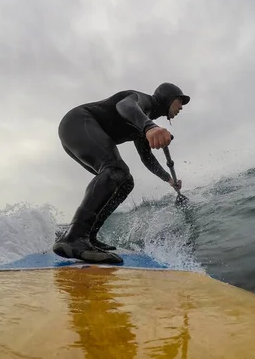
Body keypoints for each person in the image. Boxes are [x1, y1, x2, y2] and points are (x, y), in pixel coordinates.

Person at [53, 82, 190, 264]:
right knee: (116, 170)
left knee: (125, 181)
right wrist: (150, 127)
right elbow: (124, 106)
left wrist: (168, 179)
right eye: (179, 100)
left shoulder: (141, 119)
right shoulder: (141, 100)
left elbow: (146, 158)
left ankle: (88, 236)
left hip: (75, 130)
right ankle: (74, 238)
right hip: (78, 122)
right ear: (168, 97)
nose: (181, 107)